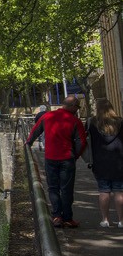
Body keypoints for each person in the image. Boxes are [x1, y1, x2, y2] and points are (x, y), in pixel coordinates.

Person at [27, 97, 89, 227]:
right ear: (72, 106)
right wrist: (75, 155)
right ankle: (67, 218)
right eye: (77, 107)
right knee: (66, 189)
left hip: (50, 158)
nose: (77, 110)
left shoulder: (47, 116)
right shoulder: (75, 121)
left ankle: (56, 216)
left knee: (53, 188)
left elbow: (35, 131)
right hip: (67, 158)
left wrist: (28, 143)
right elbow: (81, 141)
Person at [87, 101, 123, 228]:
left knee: (103, 191)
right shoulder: (120, 122)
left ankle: (105, 220)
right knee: (119, 192)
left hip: (100, 161)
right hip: (119, 161)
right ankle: (121, 220)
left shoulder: (92, 123)